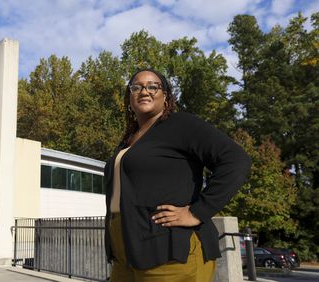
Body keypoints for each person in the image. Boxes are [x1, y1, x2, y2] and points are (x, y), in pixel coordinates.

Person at [104, 69, 251, 282]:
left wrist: (198, 211)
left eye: (153, 86)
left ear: (166, 96)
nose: (144, 91)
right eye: (136, 87)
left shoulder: (181, 124)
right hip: (125, 253)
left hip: (169, 251)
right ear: (129, 98)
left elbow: (236, 160)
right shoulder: (128, 140)